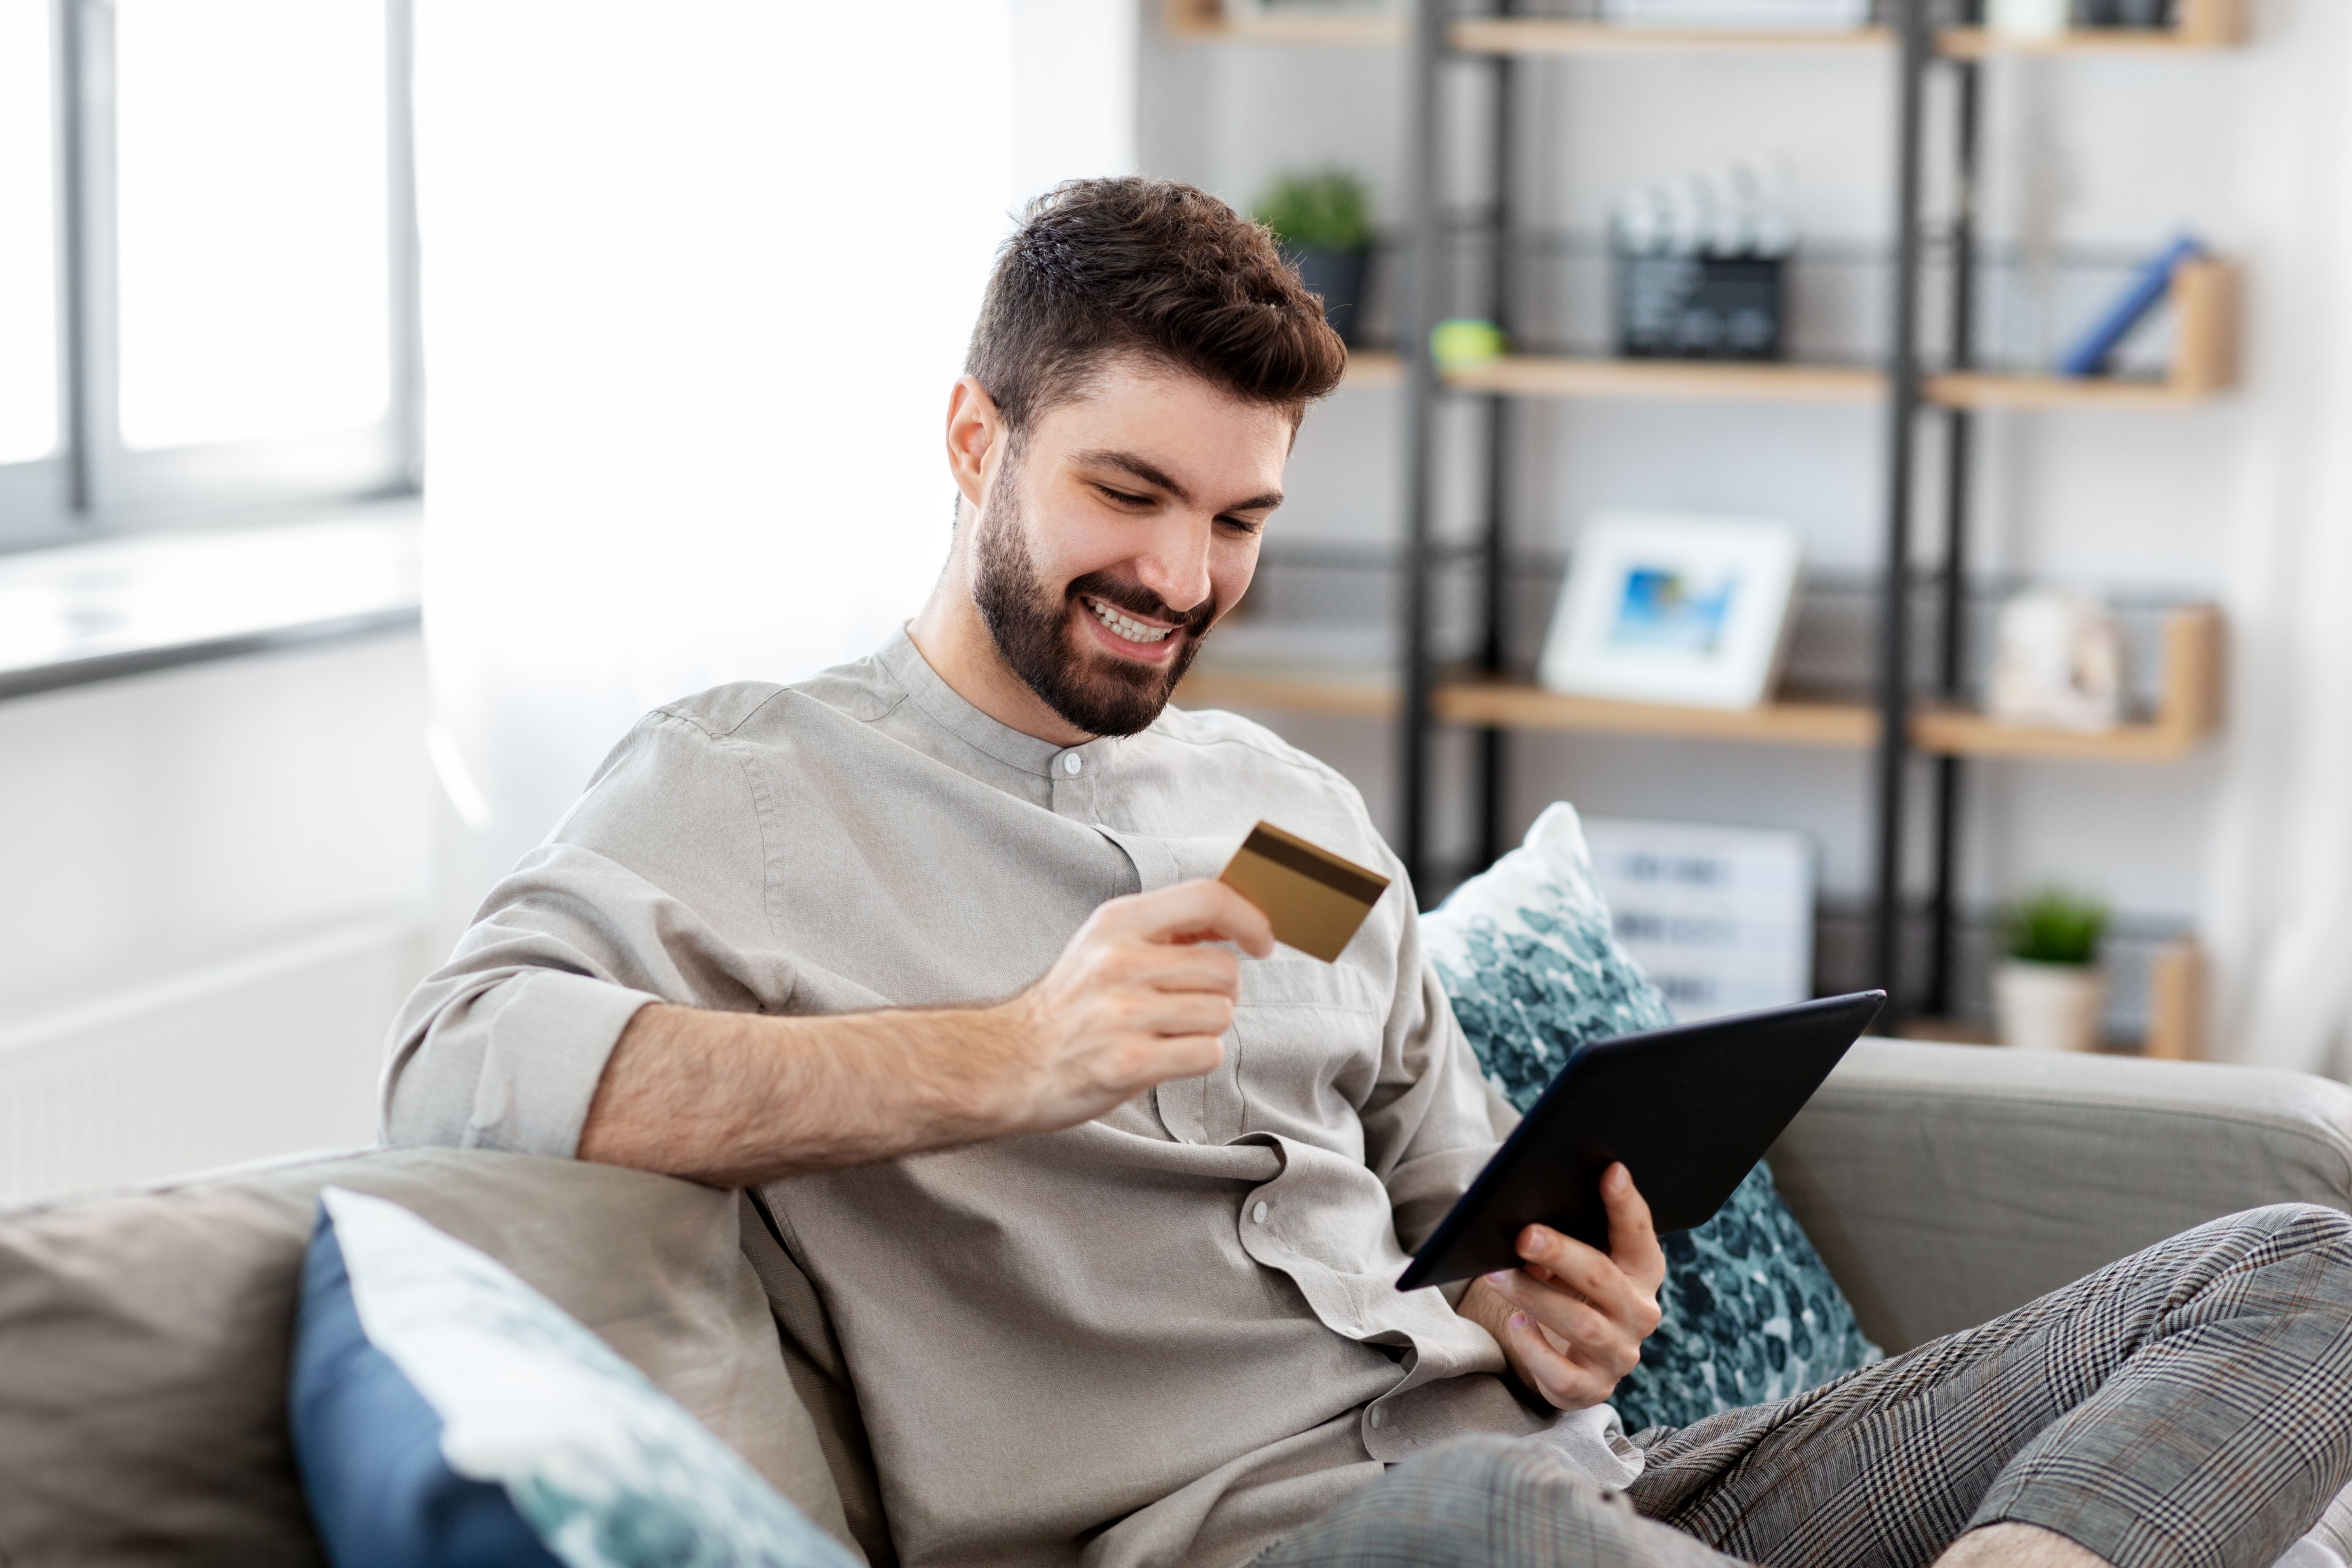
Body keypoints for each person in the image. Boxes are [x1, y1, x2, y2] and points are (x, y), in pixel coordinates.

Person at [385, 177, 2352, 1568]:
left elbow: (1454, 1217)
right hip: (1270, 1540)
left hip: (1583, 1484)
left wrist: (1559, 1313)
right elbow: (461, 1069)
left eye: (1241, 518)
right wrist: (1014, 1057)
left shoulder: (1296, 814)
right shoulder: (745, 787)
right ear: (976, 436)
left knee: (2306, 1265)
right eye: (1128, 495)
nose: (1183, 578)